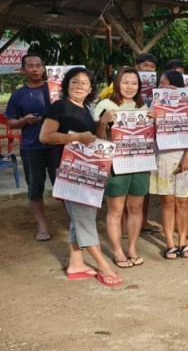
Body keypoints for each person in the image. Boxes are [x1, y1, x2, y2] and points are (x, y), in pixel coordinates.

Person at [39, 67, 122, 287]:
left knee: (81, 216)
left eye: (84, 83)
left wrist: (102, 122)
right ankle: (103, 265)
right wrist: (76, 137)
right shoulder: (58, 107)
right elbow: (45, 136)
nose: (79, 87)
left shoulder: (86, 109)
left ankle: (76, 263)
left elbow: (94, 139)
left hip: (88, 171)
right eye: (74, 82)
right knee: (84, 218)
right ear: (66, 85)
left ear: (90, 89)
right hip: (69, 172)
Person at [94, 67, 150, 269]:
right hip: (117, 164)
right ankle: (118, 251)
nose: (129, 87)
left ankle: (132, 248)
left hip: (141, 162)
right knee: (116, 210)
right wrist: (103, 121)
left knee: (135, 208)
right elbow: (98, 139)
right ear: (117, 83)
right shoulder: (105, 105)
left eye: (134, 83)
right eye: (125, 82)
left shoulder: (143, 107)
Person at [150, 69, 188, 260]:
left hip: (186, 158)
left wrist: (187, 156)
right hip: (164, 157)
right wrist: (157, 114)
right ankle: (170, 244)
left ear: (174, 84)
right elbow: (150, 130)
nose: (161, 86)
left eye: (163, 82)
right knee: (167, 202)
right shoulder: (156, 102)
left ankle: (182, 241)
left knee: (182, 202)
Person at [5, 53, 55, 241]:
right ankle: (42, 226)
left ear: (44, 68)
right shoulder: (18, 95)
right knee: (35, 187)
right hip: (32, 148)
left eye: (38, 65)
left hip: (56, 146)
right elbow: (11, 122)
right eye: (30, 66)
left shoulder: (54, 90)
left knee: (64, 185)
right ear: (23, 69)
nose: (35, 69)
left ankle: (74, 223)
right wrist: (24, 121)